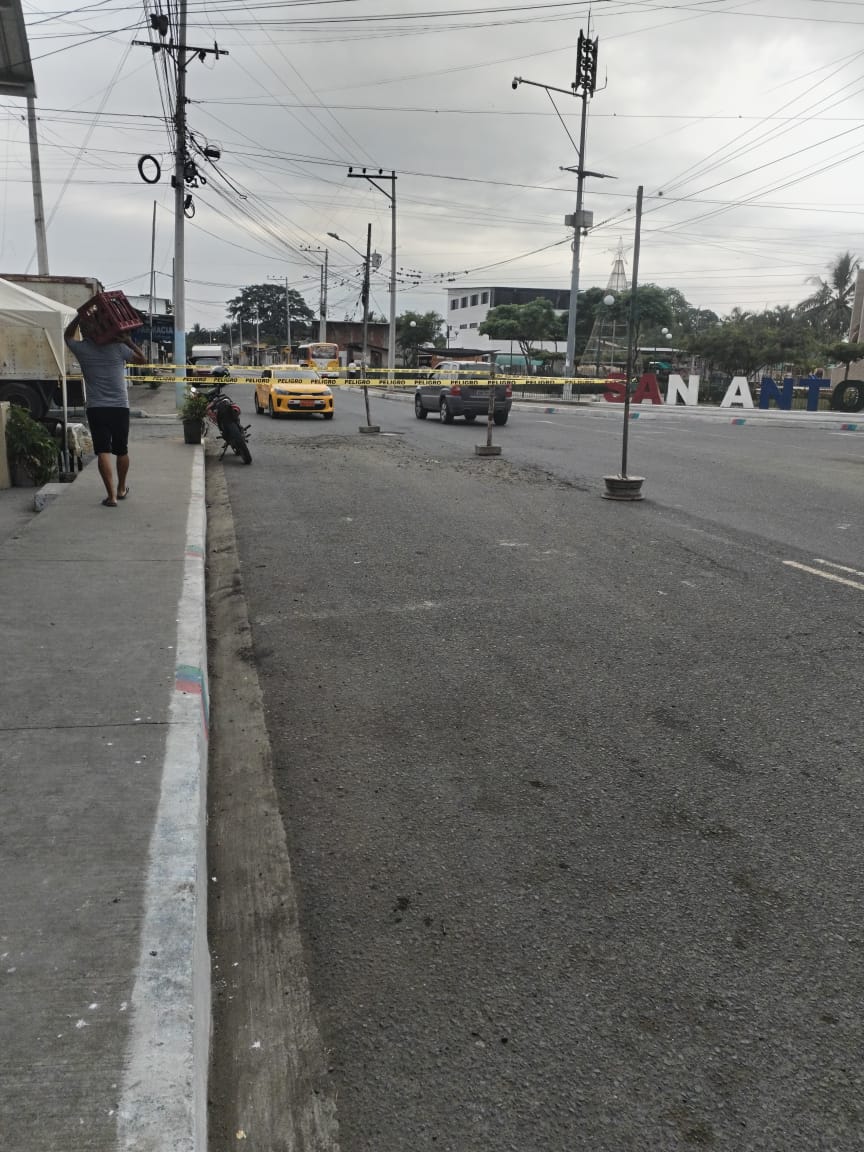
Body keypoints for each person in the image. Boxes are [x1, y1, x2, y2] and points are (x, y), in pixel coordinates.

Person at [64, 305, 146, 507]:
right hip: (120, 407)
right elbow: (143, 360)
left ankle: (112, 497)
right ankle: (121, 488)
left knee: (102, 451)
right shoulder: (118, 347)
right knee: (122, 450)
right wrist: (127, 340)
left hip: (96, 408)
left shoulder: (82, 349)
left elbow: (67, 336)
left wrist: (78, 317)